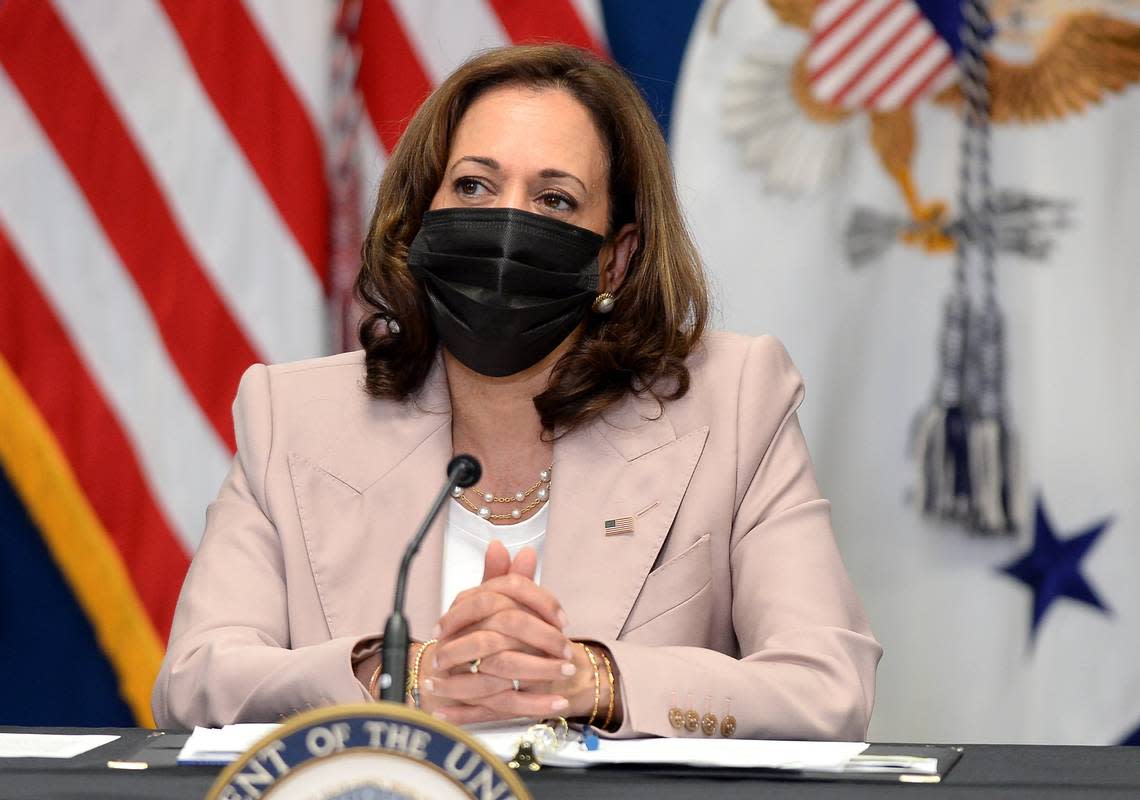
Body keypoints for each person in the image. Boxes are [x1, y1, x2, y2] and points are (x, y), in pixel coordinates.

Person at [152, 44, 881, 739]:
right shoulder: (293, 417)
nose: (507, 225)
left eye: (556, 200)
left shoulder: (733, 403)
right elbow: (193, 681)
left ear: (616, 261)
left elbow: (827, 685)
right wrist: (401, 676)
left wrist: (589, 678)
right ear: (419, 218)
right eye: (473, 185)